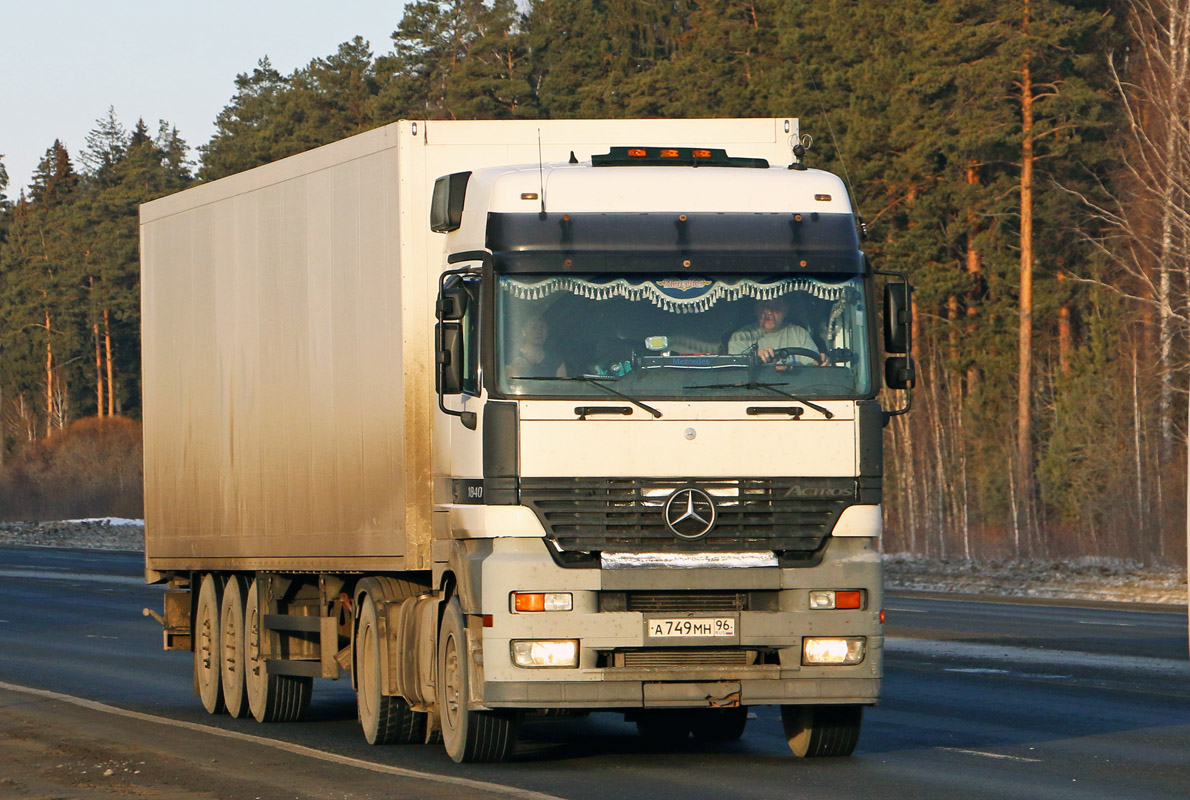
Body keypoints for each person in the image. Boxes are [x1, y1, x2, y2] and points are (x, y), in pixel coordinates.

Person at [728, 296, 823, 365]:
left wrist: (822, 362)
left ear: (785, 310)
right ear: (756, 310)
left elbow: (813, 367)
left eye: (776, 307)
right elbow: (736, 372)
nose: (769, 312)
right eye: (764, 306)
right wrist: (754, 358)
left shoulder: (800, 334)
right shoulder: (740, 337)